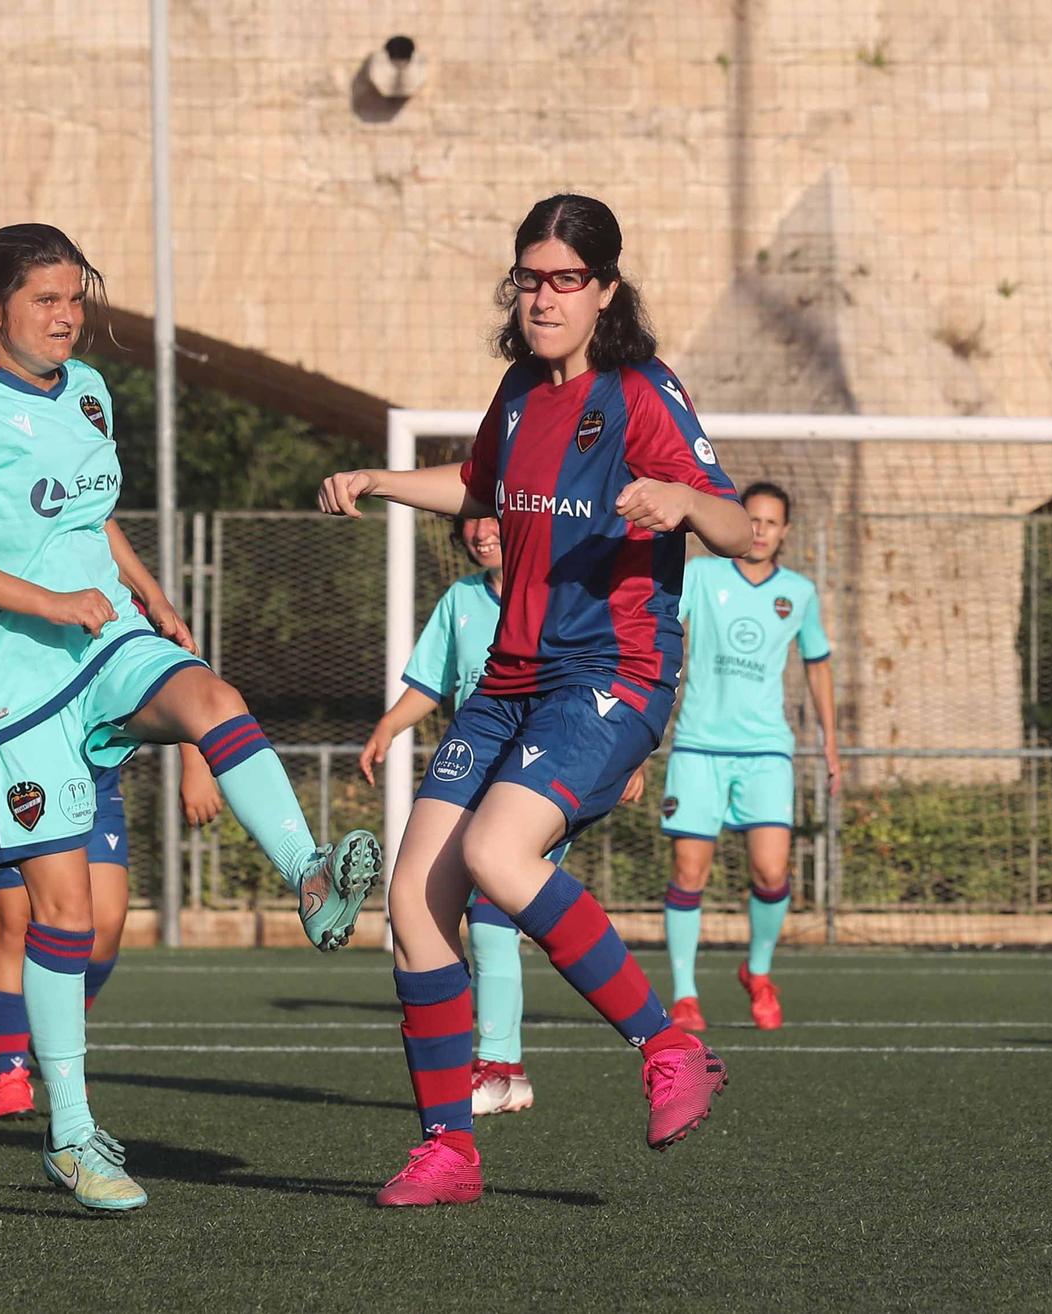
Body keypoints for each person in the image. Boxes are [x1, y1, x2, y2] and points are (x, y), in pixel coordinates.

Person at [0, 222, 381, 1212]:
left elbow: (86, 519)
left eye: (75, 297)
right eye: (44, 299)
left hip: (105, 641)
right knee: (66, 916)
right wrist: (46, 605)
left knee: (215, 698)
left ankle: (304, 873)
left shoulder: (88, 391)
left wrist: (148, 597)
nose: (67, 315)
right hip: (10, 685)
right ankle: (71, 1136)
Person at [318, 193, 751, 1207]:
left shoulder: (640, 391)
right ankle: (449, 1151)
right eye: (529, 278)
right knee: (416, 909)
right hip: (506, 683)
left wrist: (684, 501)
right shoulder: (516, 392)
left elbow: (731, 525)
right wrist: (381, 480)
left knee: (494, 857)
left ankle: (666, 1045)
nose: (543, 297)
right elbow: (478, 489)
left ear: (604, 290)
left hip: (609, 673)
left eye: (565, 280)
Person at [363, 515, 649, 1118]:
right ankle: (474, 1101)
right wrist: (390, 725)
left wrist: (626, 753)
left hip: (543, 766)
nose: (480, 532)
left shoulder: (566, 590)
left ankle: (504, 1066)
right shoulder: (461, 600)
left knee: (494, 909)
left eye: (491, 517)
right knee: (427, 905)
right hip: (475, 764)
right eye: (467, 524)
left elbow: (614, 683)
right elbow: (432, 681)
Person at [0, 634, 222, 1119]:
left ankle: (53, 1024)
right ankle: (11, 1073)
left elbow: (164, 672)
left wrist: (195, 758)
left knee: (104, 929)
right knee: (16, 928)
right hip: (4, 775)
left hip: (90, 777)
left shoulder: (107, 587)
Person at [656, 481, 838, 1032]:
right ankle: (685, 994)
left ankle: (758, 972)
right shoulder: (701, 575)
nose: (759, 530)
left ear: (785, 531)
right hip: (697, 746)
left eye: (770, 522)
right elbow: (662, 627)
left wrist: (829, 741)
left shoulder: (799, 593)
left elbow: (818, 662)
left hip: (766, 752)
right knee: (690, 871)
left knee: (772, 870)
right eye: (751, 519)